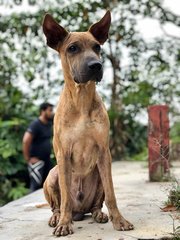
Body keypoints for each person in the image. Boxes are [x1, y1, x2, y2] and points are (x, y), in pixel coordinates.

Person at [22, 102, 54, 192]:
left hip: (47, 160)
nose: (52, 112)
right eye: (50, 110)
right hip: (36, 162)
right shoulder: (36, 124)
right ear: (43, 111)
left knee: (49, 183)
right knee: (35, 186)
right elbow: (25, 140)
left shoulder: (48, 123)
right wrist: (28, 159)